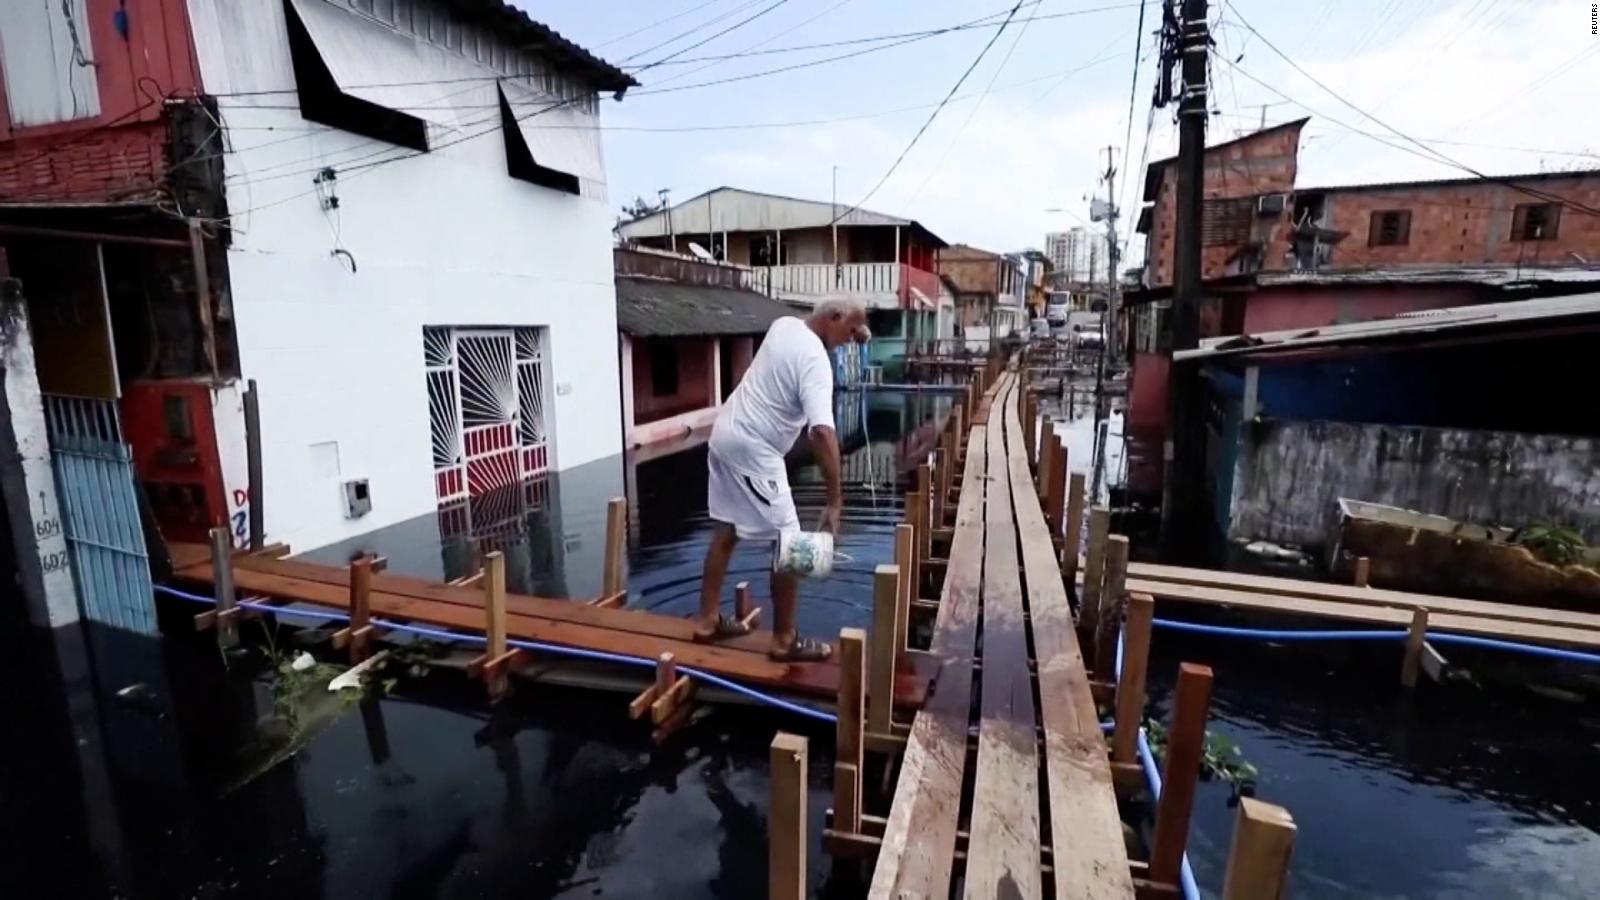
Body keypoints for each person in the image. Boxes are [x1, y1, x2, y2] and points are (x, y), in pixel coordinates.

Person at [692, 300, 869, 661]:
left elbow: (844, 326)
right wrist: (835, 500)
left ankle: (708, 621)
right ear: (833, 319)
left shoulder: (784, 325)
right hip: (754, 451)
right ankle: (785, 640)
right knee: (790, 546)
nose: (851, 341)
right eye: (848, 332)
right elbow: (821, 432)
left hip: (724, 435)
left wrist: (858, 329)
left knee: (725, 531)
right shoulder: (816, 362)